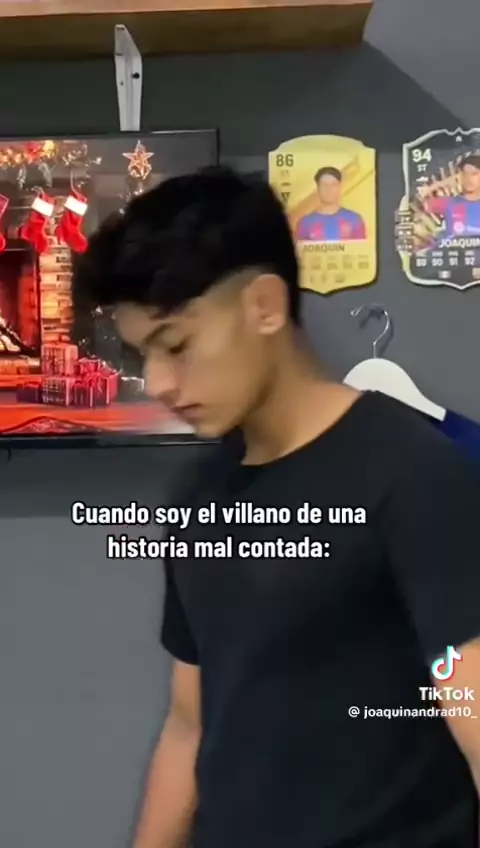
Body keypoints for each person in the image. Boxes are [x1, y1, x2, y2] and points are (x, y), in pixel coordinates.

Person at [73, 166, 480, 848]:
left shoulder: (417, 476)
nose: (159, 382)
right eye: (144, 355)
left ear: (264, 305)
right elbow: (190, 725)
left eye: (176, 345)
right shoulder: (198, 496)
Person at [296, 166, 366, 241]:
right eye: (324, 185)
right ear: (317, 188)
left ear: (339, 187)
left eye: (333, 184)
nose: (329, 189)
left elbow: (361, 247)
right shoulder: (305, 223)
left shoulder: (355, 220)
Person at [418, 154, 480, 239]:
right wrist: (442, 183)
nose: (468, 179)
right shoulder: (449, 203)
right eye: (464, 174)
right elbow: (423, 199)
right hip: (454, 247)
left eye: (474, 174)